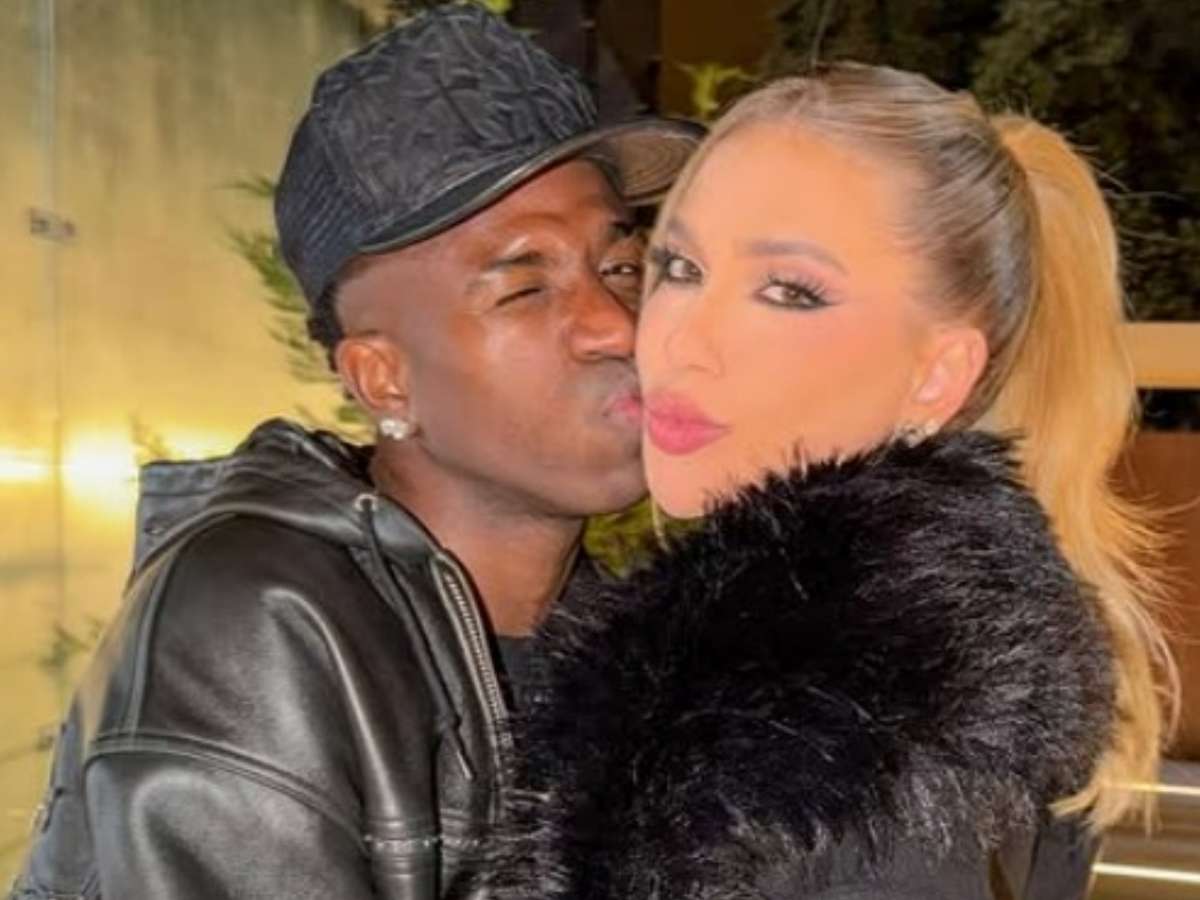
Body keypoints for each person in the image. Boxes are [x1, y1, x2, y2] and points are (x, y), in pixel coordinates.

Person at [10, 7, 701, 900]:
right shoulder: (256, 620)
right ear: (384, 381)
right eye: (525, 289)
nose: (615, 327)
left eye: (621, 268)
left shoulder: (624, 633)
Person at [486, 64, 1174, 900]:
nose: (681, 342)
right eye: (679, 267)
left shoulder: (842, 731)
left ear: (937, 375)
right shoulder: (904, 660)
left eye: (789, 291)